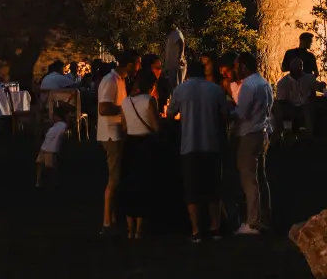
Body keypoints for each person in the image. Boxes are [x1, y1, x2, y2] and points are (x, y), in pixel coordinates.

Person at [170, 56, 232, 243]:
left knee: (192, 190)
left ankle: (196, 230)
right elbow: (225, 114)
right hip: (211, 143)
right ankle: (215, 227)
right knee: (213, 189)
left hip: (189, 145)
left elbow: (171, 113)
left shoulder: (181, 90)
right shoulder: (214, 90)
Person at [118, 70, 162, 240]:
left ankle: (129, 229)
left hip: (130, 144)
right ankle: (139, 230)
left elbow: (123, 126)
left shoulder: (126, 101)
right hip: (145, 145)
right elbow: (155, 126)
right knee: (144, 185)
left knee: (130, 186)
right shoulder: (149, 100)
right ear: (151, 86)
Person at [232, 53, 271, 235]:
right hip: (262, 132)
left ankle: (252, 222)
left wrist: (228, 110)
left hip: (248, 133)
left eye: (236, 66)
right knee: (261, 177)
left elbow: (241, 112)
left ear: (244, 67)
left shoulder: (248, 85)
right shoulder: (264, 83)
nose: (235, 70)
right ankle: (265, 217)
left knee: (249, 178)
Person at [94, 59, 124, 234]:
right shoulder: (110, 81)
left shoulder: (118, 80)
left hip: (116, 132)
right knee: (114, 178)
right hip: (111, 134)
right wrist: (125, 108)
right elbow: (104, 109)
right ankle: (107, 222)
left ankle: (112, 217)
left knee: (116, 176)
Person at [271, 61, 316, 138]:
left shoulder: (308, 79)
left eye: (300, 68)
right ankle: (278, 137)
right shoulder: (283, 82)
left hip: (305, 106)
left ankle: (309, 136)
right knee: (277, 108)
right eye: (296, 69)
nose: (299, 71)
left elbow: (313, 94)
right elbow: (281, 100)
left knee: (308, 108)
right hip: (290, 106)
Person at [36, 106, 72, 187]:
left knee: (50, 168)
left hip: (51, 150)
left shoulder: (62, 125)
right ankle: (38, 182)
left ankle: (52, 183)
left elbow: (65, 132)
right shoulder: (54, 126)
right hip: (45, 148)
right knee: (39, 164)